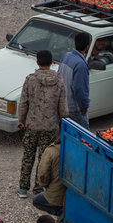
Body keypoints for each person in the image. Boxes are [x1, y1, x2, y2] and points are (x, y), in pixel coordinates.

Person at [18, 50, 68, 199]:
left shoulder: (30, 79)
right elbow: (63, 107)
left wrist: (21, 120)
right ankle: (39, 190)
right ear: (52, 61)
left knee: (28, 156)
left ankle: (22, 188)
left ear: (37, 62)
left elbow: (24, 103)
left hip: (32, 125)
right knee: (44, 159)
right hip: (50, 126)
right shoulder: (59, 80)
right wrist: (62, 122)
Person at [58, 32, 91, 129]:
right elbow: (80, 89)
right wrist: (84, 107)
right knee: (84, 138)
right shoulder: (81, 64)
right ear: (87, 47)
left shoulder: (66, 56)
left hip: (63, 105)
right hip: (75, 109)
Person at [33, 138, 65, 216]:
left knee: (36, 201)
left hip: (58, 197)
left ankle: (62, 214)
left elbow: (43, 177)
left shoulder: (52, 150)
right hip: (79, 196)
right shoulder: (86, 148)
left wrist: (45, 185)